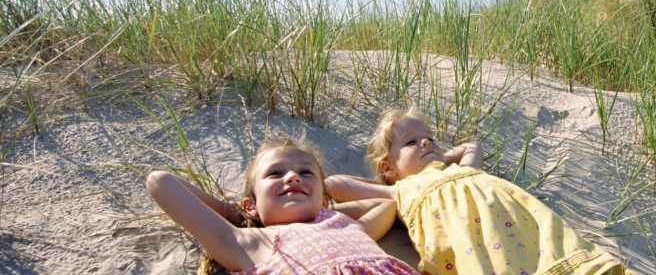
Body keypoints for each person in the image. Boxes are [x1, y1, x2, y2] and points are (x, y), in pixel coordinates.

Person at [326, 108, 630, 275]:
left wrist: (444, 158)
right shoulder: (403, 189)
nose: (426, 143)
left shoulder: (462, 170)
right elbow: (338, 184)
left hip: (528, 229)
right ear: (388, 168)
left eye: (430, 138)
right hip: (482, 250)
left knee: (563, 255)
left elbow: (473, 147)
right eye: (411, 142)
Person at [146, 137, 419, 274]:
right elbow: (161, 182)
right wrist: (232, 213)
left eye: (306, 173)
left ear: (324, 198)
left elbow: (384, 205)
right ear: (250, 206)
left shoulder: (348, 227)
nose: (293, 176)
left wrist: (327, 212)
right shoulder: (248, 241)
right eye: (275, 174)